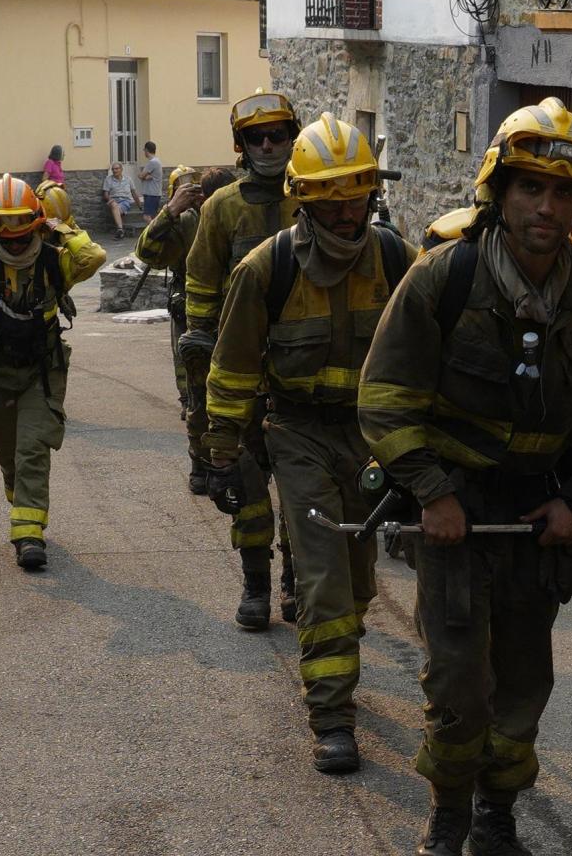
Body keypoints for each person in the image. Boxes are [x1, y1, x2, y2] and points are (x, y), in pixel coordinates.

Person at [358, 97, 572, 856]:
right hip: (456, 511)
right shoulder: (443, 278)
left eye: (565, 194)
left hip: (539, 517)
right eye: (531, 189)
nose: (548, 208)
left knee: (521, 684)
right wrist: (433, 492)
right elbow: (383, 399)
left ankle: (497, 812)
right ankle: (448, 809)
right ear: (499, 191)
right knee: (458, 684)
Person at [205, 114, 414, 774]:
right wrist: (219, 453)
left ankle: (337, 658)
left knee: (358, 583)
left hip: (372, 436)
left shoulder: (396, 260)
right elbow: (232, 368)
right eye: (333, 197)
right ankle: (332, 716)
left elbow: (424, 356)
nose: (349, 212)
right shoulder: (265, 270)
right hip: (296, 434)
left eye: (358, 194)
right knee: (322, 577)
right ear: (306, 199)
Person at [0, 174, 107, 569]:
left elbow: (92, 257)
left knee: (33, 447)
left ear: (35, 221)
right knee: (8, 450)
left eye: (18, 225)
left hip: (41, 369)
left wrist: (60, 228)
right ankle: (18, 496)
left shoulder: (55, 257)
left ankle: (28, 535)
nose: (10, 236)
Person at [183, 90, 303, 629]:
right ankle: (256, 584)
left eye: (278, 134)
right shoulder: (221, 208)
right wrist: (201, 349)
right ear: (240, 145)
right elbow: (201, 286)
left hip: (304, 372)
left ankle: (298, 581)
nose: (269, 144)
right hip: (242, 375)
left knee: (305, 493)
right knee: (249, 491)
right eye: (257, 136)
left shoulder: (313, 199)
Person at [134, 164, 237, 483]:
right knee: (199, 398)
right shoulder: (190, 223)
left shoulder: (245, 220)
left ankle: (238, 463)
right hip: (197, 321)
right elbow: (147, 253)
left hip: (239, 321)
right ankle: (202, 466)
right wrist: (170, 211)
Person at [102, 161, 139, 240]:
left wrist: (139, 205)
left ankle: (120, 230)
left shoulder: (128, 179)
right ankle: (120, 230)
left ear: (121, 169)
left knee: (115, 207)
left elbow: (134, 193)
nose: (115, 171)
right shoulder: (108, 179)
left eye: (117, 169)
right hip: (112, 200)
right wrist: (109, 199)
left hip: (125, 201)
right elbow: (105, 194)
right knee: (114, 204)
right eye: (113, 169)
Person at [138, 141, 163, 221]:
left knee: (147, 217)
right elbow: (146, 176)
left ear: (146, 150)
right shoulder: (157, 161)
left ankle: (154, 232)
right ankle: (155, 232)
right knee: (153, 217)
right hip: (154, 193)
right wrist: (147, 177)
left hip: (151, 194)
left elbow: (141, 175)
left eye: (144, 150)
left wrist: (143, 176)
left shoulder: (152, 162)